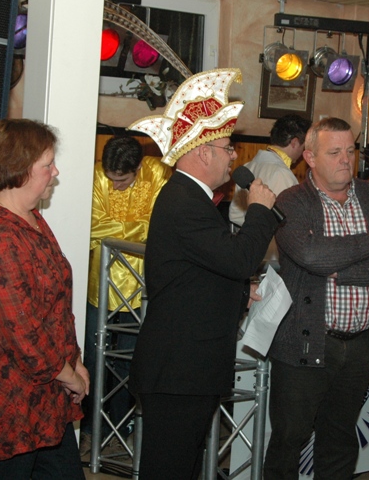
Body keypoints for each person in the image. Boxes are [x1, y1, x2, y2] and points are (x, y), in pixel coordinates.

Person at [127, 68, 280, 480]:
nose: (234, 157)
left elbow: (204, 272)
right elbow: (239, 260)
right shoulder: (184, 202)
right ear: (203, 153)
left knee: (183, 468)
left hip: (188, 369)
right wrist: (260, 211)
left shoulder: (192, 199)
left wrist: (240, 293)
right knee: (169, 470)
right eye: (228, 148)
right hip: (178, 370)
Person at [263, 117, 369, 479]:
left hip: (359, 343)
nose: (346, 159)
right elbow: (312, 255)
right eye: (334, 152)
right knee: (289, 438)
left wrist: (342, 273)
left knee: (341, 438)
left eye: (350, 150)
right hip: (304, 341)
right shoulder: (291, 201)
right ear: (310, 157)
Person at [0, 118, 89, 479]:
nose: (55, 172)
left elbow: (55, 307)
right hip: (9, 404)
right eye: (48, 165)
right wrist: (69, 376)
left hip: (46, 398)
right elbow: (22, 335)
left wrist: (74, 360)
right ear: (20, 169)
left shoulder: (31, 218)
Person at [81, 135, 170, 458]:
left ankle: (120, 429)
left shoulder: (158, 173)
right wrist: (136, 228)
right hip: (100, 286)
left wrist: (117, 229)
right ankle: (90, 430)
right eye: (111, 180)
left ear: (138, 167)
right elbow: (91, 227)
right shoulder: (94, 175)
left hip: (140, 288)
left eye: (123, 180)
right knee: (92, 360)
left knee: (129, 364)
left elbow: (160, 225)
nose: (115, 186)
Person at [228, 113, 310, 227]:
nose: (303, 152)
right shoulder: (283, 174)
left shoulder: (248, 166)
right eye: (304, 147)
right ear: (294, 143)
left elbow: (235, 215)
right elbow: (291, 223)